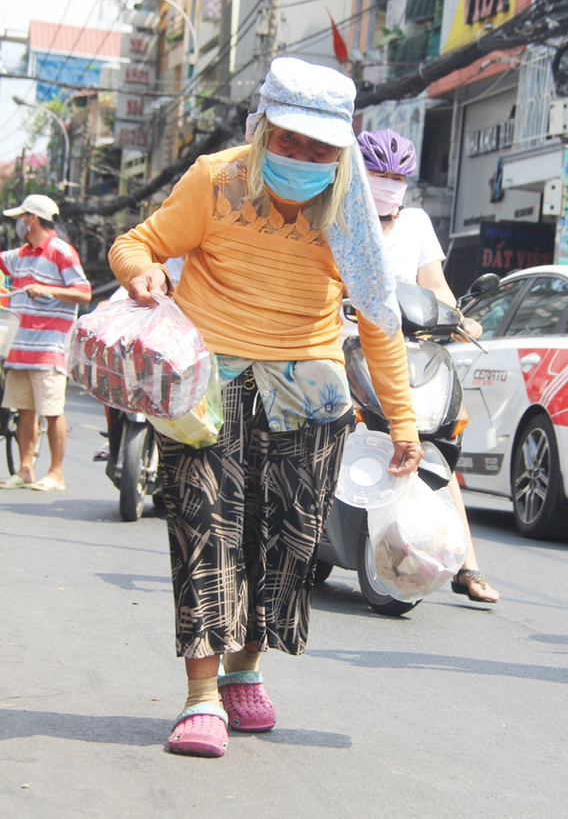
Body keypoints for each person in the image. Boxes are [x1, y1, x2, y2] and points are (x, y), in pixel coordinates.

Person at [108, 57, 423, 759]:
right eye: (288, 141)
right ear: (261, 129)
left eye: (320, 149)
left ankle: (245, 672)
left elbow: (378, 318)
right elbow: (137, 242)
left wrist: (403, 420)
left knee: (282, 543)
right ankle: (199, 697)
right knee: (202, 531)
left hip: (307, 395)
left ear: (341, 151)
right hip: (205, 389)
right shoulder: (216, 179)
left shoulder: (347, 206)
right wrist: (143, 272)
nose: (303, 159)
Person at [357, 128, 500, 604]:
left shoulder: (416, 223)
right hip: (347, 348)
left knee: (434, 447)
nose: (388, 183)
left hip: (409, 355)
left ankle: (467, 565)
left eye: (397, 176)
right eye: (379, 173)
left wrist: (456, 316)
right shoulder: (341, 218)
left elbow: (435, 286)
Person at [0, 194, 92, 491]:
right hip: (20, 345)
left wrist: (48, 289)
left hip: (49, 348)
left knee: (52, 412)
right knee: (24, 410)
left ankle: (56, 473)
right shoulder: (22, 254)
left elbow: (83, 293)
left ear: (33, 219)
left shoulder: (61, 251)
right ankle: (26, 469)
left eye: (22, 216)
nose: (18, 222)